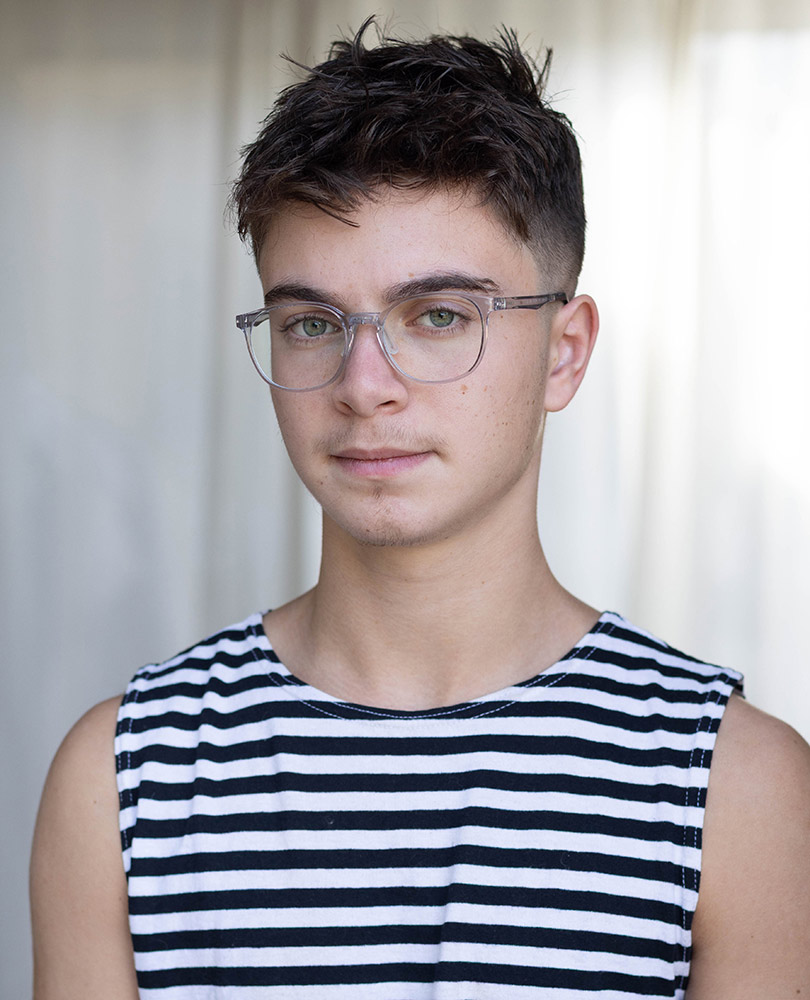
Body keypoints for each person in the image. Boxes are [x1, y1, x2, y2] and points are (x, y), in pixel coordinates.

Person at [30, 20, 810, 1000]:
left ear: (564, 352)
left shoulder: (731, 787)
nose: (365, 385)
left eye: (438, 316)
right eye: (311, 322)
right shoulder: (122, 778)